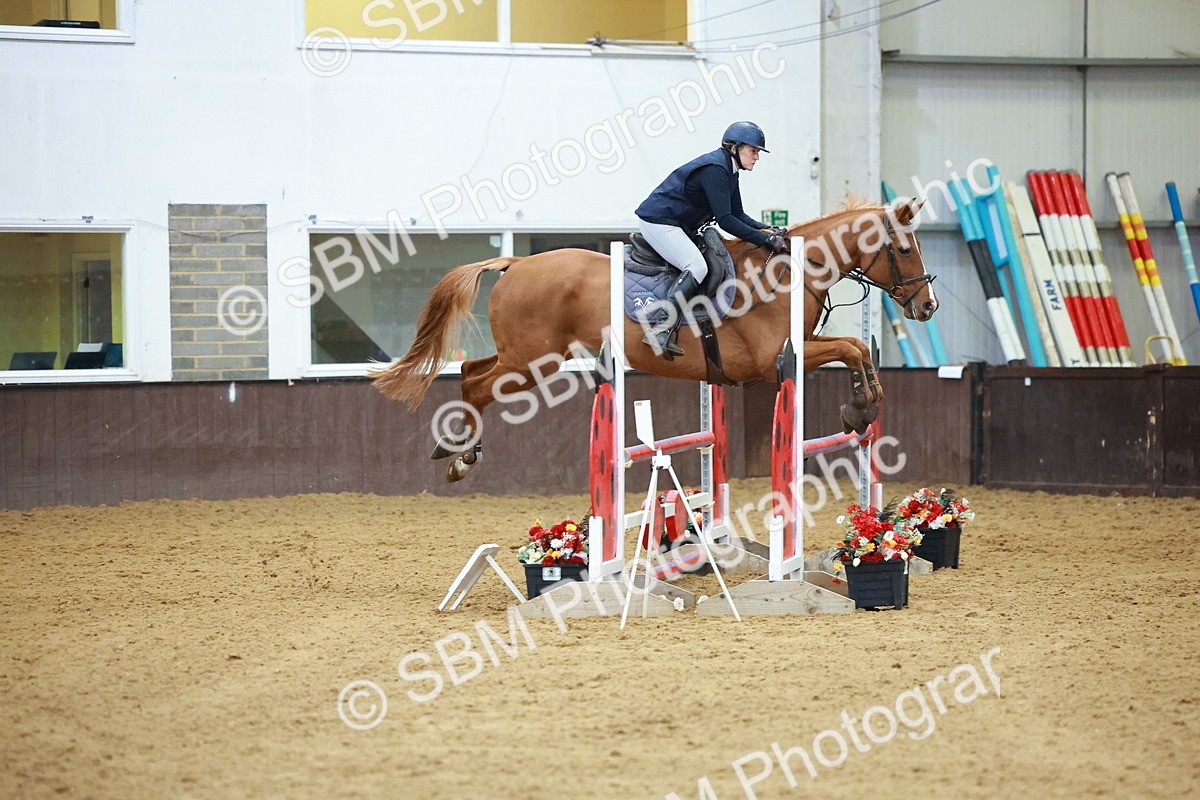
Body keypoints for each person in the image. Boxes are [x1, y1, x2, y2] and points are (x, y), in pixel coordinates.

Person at [634, 121, 787, 359]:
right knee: (697, 266)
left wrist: (767, 230)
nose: (757, 157)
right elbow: (726, 221)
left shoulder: (730, 169)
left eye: (758, 152)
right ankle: (660, 330)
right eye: (753, 151)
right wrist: (765, 241)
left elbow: (738, 214)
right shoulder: (716, 169)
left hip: (679, 224)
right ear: (734, 148)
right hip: (660, 221)